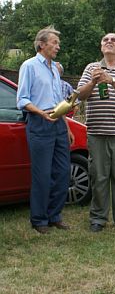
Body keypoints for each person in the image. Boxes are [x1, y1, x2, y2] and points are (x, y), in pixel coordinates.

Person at [78, 32, 115, 232]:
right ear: (101, 46)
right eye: (105, 40)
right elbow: (80, 96)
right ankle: (98, 218)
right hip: (97, 134)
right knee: (99, 178)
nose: (109, 42)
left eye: (114, 40)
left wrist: (111, 79)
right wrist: (94, 82)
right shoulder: (90, 68)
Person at [17, 26, 73, 234]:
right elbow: (22, 99)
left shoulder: (54, 68)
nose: (58, 46)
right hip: (39, 123)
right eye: (54, 43)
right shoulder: (29, 66)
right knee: (42, 174)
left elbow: (59, 100)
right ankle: (39, 220)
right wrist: (41, 113)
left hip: (58, 123)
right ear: (42, 44)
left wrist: (65, 126)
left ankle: (54, 215)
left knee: (63, 172)